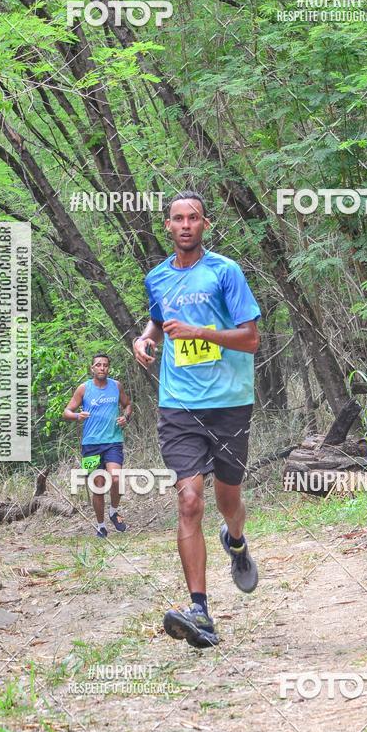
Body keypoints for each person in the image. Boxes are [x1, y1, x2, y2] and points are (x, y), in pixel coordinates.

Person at [133, 191, 261, 649]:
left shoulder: (225, 272)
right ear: (166, 226)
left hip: (229, 401)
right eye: (177, 219)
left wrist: (199, 332)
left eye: (193, 218)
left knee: (229, 497)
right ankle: (200, 611)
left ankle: (238, 541)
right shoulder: (157, 277)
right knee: (190, 500)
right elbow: (158, 319)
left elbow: (250, 340)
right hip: (178, 403)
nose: (185, 225)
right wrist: (145, 338)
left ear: (205, 224)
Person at [63, 353, 132, 537]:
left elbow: (127, 405)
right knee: (98, 486)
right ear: (92, 368)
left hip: (113, 441)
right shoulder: (84, 389)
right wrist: (78, 415)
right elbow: (67, 412)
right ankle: (101, 525)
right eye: (98, 365)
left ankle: (113, 511)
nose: (102, 368)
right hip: (90, 445)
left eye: (105, 365)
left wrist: (125, 417)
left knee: (116, 479)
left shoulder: (116, 386)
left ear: (108, 368)